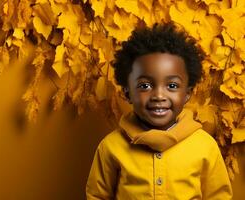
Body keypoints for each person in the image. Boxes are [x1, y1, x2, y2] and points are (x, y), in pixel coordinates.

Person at [86, 23, 233, 199]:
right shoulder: (111, 147)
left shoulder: (205, 146)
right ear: (127, 92)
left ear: (187, 94)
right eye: (145, 85)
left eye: (172, 85)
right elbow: (97, 196)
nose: (158, 95)